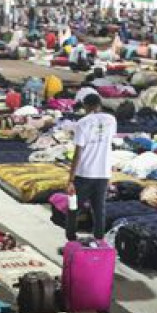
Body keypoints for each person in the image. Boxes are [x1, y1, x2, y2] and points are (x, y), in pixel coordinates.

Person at [64, 94, 116, 241]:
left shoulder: (82, 123)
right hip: (103, 172)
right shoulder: (111, 120)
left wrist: (70, 179)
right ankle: (99, 239)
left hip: (85, 173)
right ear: (100, 104)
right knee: (99, 209)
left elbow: (77, 154)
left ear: (86, 106)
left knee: (74, 208)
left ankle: (71, 238)